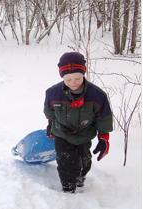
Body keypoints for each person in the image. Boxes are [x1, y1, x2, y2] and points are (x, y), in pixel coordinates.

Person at [44, 52, 113, 193]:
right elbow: (49, 112)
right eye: (68, 79)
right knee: (66, 162)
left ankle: (80, 177)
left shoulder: (97, 95)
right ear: (62, 77)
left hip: (84, 134)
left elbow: (103, 118)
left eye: (77, 78)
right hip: (62, 134)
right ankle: (68, 188)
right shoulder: (53, 93)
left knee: (84, 160)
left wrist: (104, 138)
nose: (73, 83)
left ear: (84, 73)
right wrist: (51, 125)